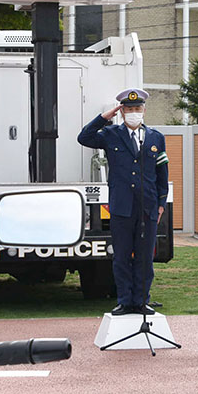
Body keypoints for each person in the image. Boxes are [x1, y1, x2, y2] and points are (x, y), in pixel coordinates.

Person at [77, 88, 169, 316]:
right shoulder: (112, 134)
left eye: (137, 109)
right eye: (129, 109)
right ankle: (125, 301)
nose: (134, 113)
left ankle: (141, 301)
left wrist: (161, 203)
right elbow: (84, 137)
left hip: (147, 206)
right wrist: (104, 117)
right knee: (121, 257)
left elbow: (162, 173)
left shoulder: (156, 137)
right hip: (122, 207)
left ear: (144, 110)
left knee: (145, 258)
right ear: (122, 111)